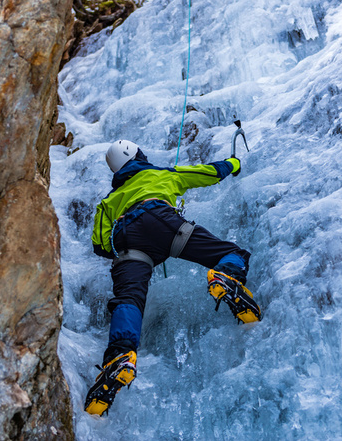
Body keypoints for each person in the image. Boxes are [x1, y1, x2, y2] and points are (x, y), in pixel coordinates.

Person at [84, 139, 263, 416]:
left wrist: (132, 248)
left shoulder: (107, 202)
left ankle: (119, 357)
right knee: (231, 253)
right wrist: (233, 163)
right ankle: (225, 277)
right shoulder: (159, 173)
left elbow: (99, 245)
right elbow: (208, 173)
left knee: (129, 298)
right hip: (159, 220)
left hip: (127, 241)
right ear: (136, 156)